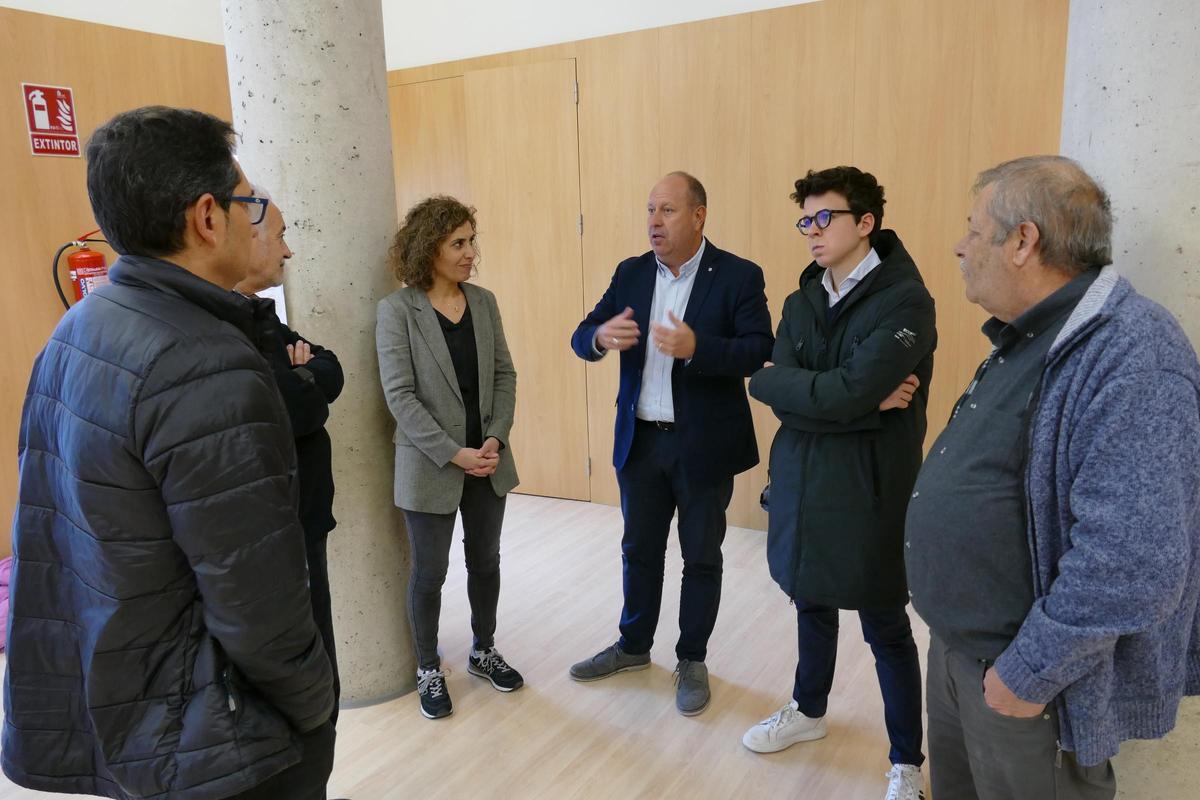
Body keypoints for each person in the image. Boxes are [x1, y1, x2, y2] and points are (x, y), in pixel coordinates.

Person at [2, 106, 334, 800]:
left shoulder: (78, 328)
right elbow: (258, 600)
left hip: (124, 698)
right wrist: (314, 706)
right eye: (250, 204)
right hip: (214, 729)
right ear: (208, 217)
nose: (260, 221)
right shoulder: (207, 364)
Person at [905, 155, 1200, 800]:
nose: (959, 246)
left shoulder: (1132, 351)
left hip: (1027, 683)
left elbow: (1135, 562)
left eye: (973, 229)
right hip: (963, 652)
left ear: (1023, 240)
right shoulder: (1033, 334)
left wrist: (1028, 672)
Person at [745, 166, 936, 800]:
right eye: (806, 220)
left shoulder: (907, 301)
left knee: (884, 623)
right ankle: (808, 711)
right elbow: (768, 384)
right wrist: (847, 400)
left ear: (865, 223)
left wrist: (817, 394)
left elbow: (832, 388)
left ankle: (907, 761)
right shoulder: (802, 300)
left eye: (825, 218)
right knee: (810, 601)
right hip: (804, 478)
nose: (813, 231)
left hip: (869, 486)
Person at [568, 171, 773, 716]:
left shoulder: (738, 276)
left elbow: (758, 350)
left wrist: (697, 347)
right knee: (639, 551)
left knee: (700, 556)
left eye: (667, 211)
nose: (654, 222)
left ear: (698, 215)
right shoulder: (631, 273)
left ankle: (692, 658)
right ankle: (634, 647)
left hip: (702, 444)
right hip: (641, 442)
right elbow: (583, 331)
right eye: (650, 211)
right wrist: (598, 337)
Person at [376, 195, 523, 720]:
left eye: (471, 240)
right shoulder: (397, 311)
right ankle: (427, 668)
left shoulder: (483, 302)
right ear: (428, 248)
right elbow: (400, 396)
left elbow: (505, 376)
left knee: (486, 561)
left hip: (487, 461)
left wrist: (496, 439)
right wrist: (453, 453)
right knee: (430, 573)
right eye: (457, 243)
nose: (470, 252)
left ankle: (484, 651)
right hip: (431, 465)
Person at [234, 187, 345, 727]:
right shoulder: (226, 329)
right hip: (275, 527)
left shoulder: (259, 316)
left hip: (304, 516)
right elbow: (300, 409)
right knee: (300, 678)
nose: (287, 250)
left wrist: (305, 373)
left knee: (317, 660)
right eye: (279, 235)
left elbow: (333, 371)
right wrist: (304, 376)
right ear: (239, 234)